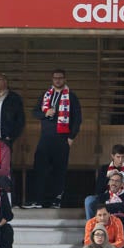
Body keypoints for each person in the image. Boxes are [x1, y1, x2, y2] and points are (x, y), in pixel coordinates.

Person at [25, 69, 81, 210]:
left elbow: (77, 119)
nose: (57, 80)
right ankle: (38, 200)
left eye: (60, 78)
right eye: (55, 78)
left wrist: (71, 137)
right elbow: (35, 112)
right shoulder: (46, 95)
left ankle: (56, 200)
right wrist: (46, 113)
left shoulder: (71, 97)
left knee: (59, 171)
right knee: (40, 168)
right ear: (52, 79)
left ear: (65, 79)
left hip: (62, 138)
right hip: (46, 138)